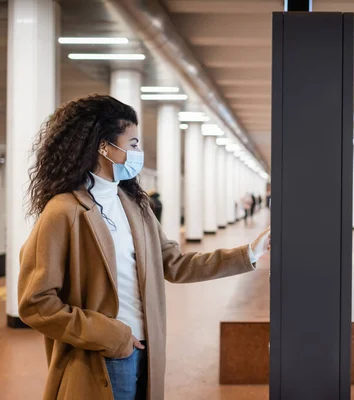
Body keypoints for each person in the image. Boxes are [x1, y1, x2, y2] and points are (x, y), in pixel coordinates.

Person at [18, 95, 271, 400]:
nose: (139, 152)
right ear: (104, 147)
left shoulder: (136, 206)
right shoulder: (64, 211)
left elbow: (174, 264)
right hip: (103, 357)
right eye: (133, 143)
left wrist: (249, 253)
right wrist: (112, 335)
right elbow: (36, 302)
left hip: (147, 351)